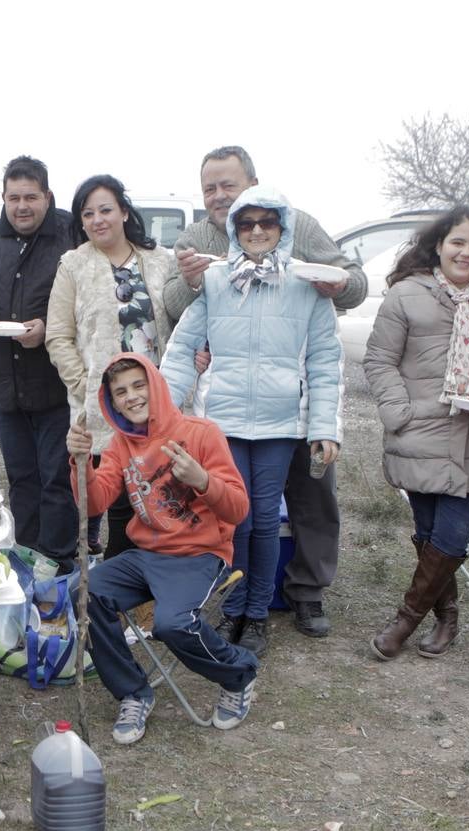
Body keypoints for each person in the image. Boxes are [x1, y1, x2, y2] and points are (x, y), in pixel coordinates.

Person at [162, 146, 365, 639]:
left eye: (266, 223)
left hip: (279, 425)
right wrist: (164, 414)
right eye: (246, 223)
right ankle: (234, 605)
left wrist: (323, 428)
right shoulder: (215, 279)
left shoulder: (305, 285)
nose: (256, 231)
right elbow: (183, 344)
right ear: (233, 228)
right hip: (225, 422)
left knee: (270, 517)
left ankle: (257, 615)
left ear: (282, 228)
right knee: (237, 517)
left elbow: (323, 360)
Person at [67, 353, 257, 743]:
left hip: (199, 555)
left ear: (155, 386)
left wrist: (203, 480)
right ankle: (133, 692)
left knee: (171, 624)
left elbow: (238, 509)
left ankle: (238, 674)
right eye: (120, 392)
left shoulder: (202, 433)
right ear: (112, 401)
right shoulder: (122, 444)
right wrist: (80, 463)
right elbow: (97, 501)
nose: (131, 397)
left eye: (139, 385)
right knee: (85, 592)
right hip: (146, 555)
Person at [363, 206, 469, 660]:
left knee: (451, 536)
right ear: (438, 244)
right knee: (429, 533)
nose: (467, 252)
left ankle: (403, 623)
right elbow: (379, 360)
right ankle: (448, 616)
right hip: (417, 431)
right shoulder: (406, 294)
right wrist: (400, 413)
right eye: (458, 242)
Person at [0, 156, 79, 568]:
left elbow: (90, 300)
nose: (22, 206)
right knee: (22, 479)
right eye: (13, 198)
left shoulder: (70, 234)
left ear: (47, 196)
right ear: (4, 199)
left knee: (58, 480)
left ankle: (58, 563)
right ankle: (28, 557)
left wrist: (50, 326)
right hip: (6, 384)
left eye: (30, 197)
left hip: (58, 383)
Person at [45, 174, 179, 560]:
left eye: (105, 209)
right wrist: (86, 385)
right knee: (120, 501)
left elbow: (181, 322)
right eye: (88, 214)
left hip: (155, 400)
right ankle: (120, 595)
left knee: (161, 497)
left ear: (123, 210)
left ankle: (155, 592)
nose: (97, 220)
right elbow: (58, 334)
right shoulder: (74, 264)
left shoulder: (159, 261)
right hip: (106, 407)